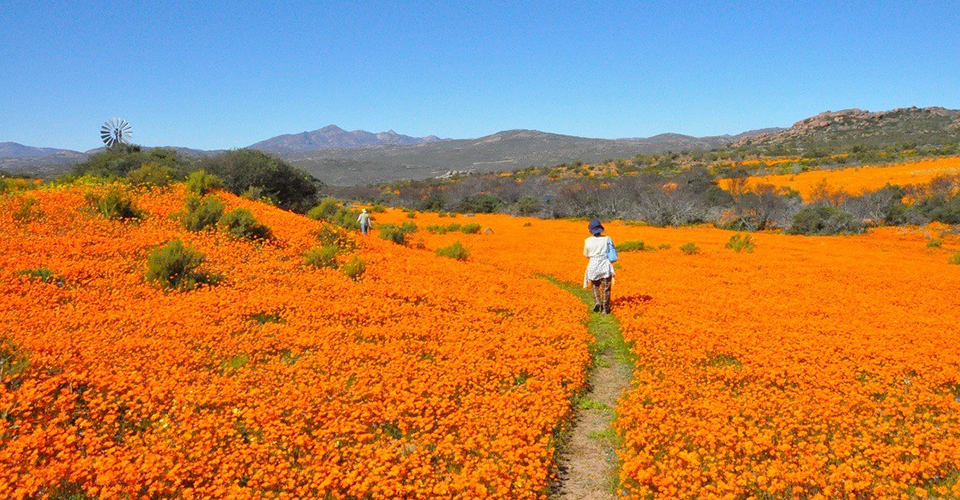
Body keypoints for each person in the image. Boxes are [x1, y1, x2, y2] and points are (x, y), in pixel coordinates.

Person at [583, 219, 615, 314]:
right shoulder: (607, 239)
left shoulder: (587, 241)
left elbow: (586, 255)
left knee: (594, 285)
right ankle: (605, 309)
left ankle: (597, 301)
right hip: (604, 264)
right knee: (606, 287)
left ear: (591, 231)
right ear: (601, 229)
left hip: (593, 264)